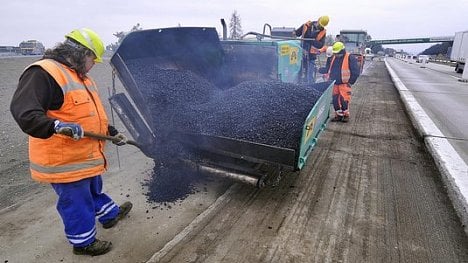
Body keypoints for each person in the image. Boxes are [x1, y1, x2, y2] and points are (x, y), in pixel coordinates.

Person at [10, 28, 133, 256]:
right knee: (77, 201)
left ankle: (109, 214)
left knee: (93, 189)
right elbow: (24, 112)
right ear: (80, 52)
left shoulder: (80, 77)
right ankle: (83, 242)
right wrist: (56, 126)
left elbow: (88, 114)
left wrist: (110, 131)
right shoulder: (43, 73)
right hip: (64, 160)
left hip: (86, 156)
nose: (93, 65)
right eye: (92, 59)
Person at [320, 41, 360, 122]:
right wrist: (322, 71)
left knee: (344, 100)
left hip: (344, 84)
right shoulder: (334, 58)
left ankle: (345, 115)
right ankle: (338, 115)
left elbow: (355, 71)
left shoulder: (349, 57)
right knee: (335, 100)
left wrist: (351, 82)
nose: (335, 55)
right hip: (334, 83)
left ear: (342, 51)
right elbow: (330, 69)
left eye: (337, 53)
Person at [294, 15, 329, 84]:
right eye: (320, 24)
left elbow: (320, 45)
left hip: (311, 56)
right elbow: (297, 33)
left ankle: (309, 89)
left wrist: (310, 40)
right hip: (301, 54)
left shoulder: (323, 32)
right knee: (297, 72)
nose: (320, 26)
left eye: (322, 26)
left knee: (309, 76)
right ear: (318, 20)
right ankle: (296, 86)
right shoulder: (307, 25)